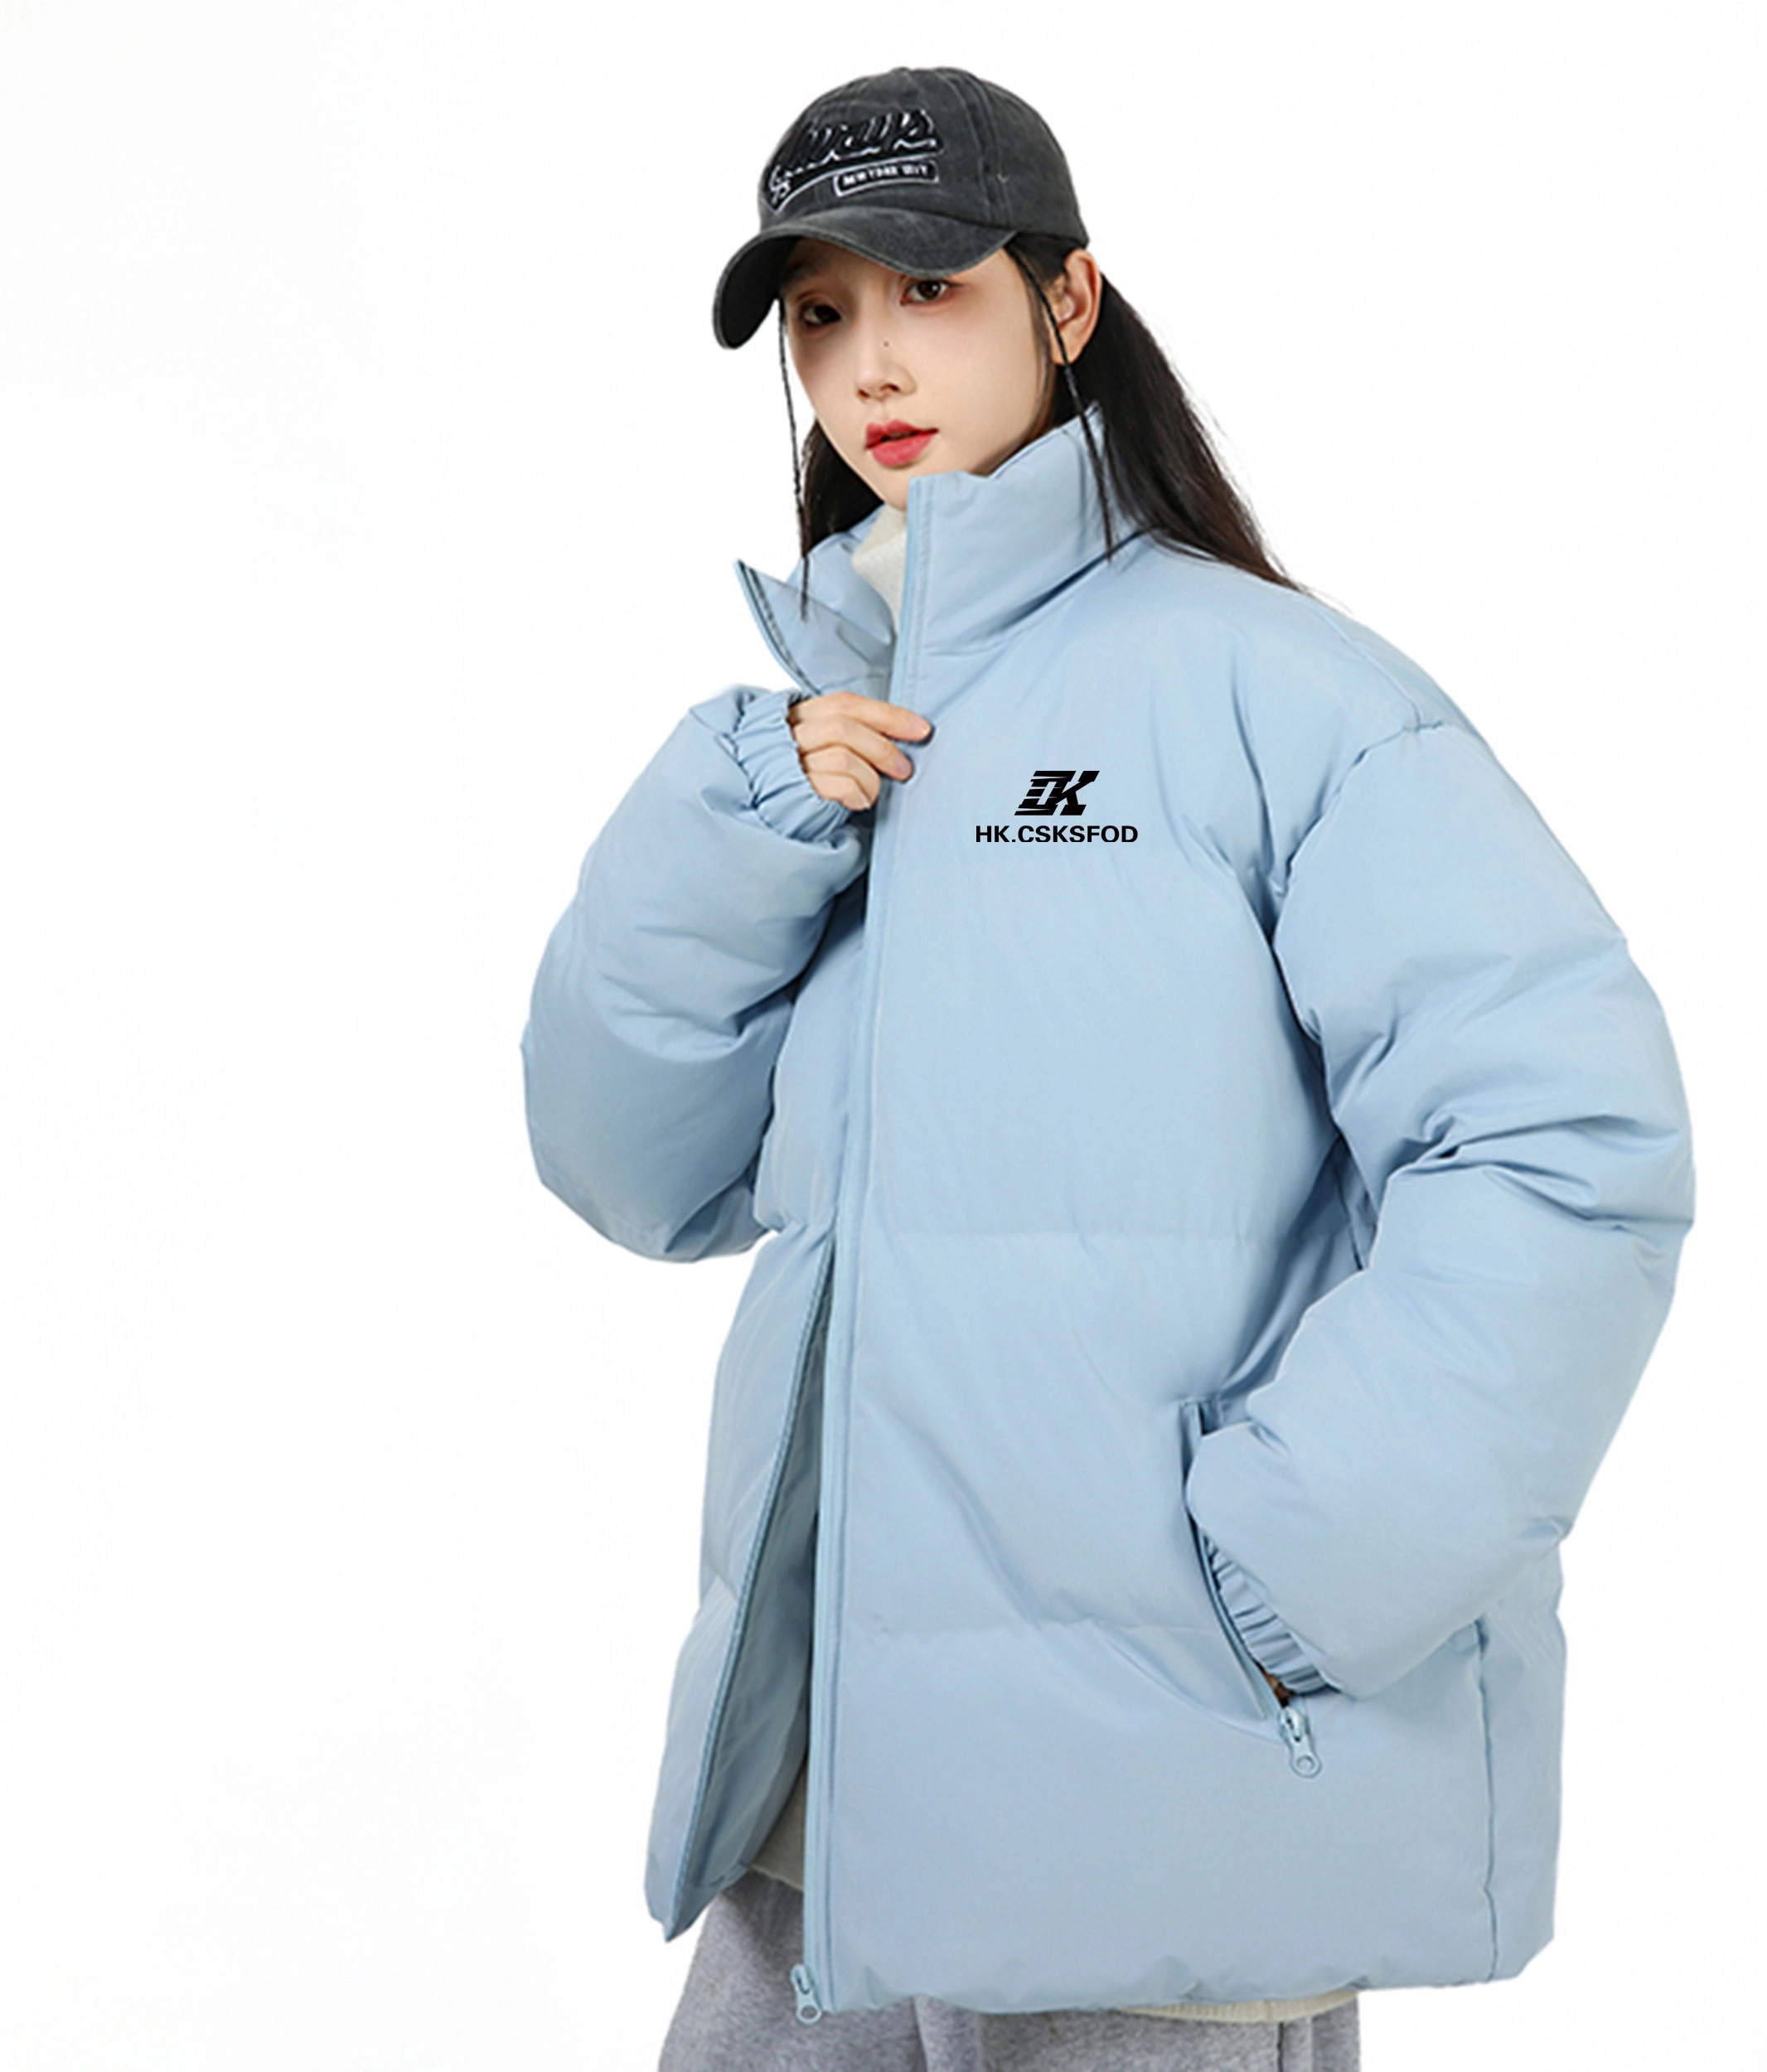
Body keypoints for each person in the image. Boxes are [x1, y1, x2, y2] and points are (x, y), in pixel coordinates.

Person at [520, 65, 1695, 2072]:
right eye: (818, 313)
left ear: (1065, 300)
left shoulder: (1279, 697)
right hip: (828, 1826)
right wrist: (736, 820)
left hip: (1165, 1801)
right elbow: (629, 1164)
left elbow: (1565, 1143)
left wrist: (1288, 1571)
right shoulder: (815, 738)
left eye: (929, 291)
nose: (870, 364)